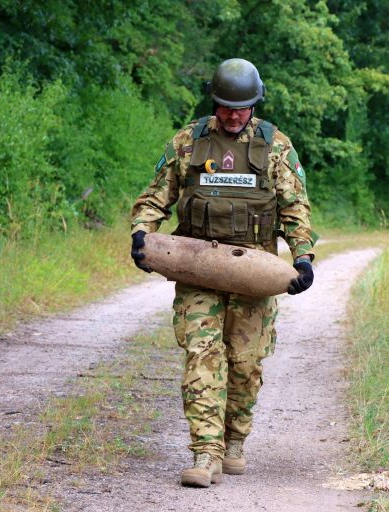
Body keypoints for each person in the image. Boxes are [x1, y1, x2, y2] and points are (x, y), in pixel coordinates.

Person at [129, 58, 318, 488]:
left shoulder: (275, 147)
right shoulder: (188, 142)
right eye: (226, 107)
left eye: (243, 107)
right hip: (198, 267)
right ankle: (205, 451)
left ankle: (234, 440)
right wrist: (143, 233)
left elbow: (295, 209)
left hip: (252, 272)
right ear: (214, 102)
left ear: (256, 103)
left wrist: (302, 257)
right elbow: (156, 196)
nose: (234, 115)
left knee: (245, 363)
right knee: (202, 353)